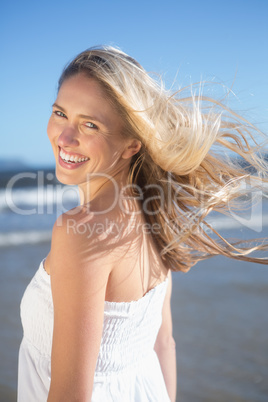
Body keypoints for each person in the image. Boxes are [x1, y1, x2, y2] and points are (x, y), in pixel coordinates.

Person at [17, 46, 268, 402]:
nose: (65, 137)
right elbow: (164, 345)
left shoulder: (82, 232)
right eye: (61, 113)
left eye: (90, 124)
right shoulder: (154, 213)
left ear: (132, 144)